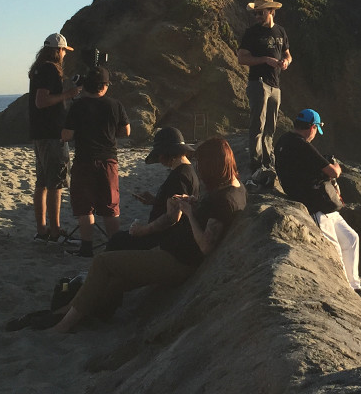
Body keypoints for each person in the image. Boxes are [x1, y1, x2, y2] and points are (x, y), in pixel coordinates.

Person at [51, 137, 246, 333]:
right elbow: (209, 214)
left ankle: (63, 325)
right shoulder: (233, 187)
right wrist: (193, 204)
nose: (199, 172)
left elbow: (205, 246)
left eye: (201, 166)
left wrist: (188, 213)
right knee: (114, 281)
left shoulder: (224, 200)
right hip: (171, 252)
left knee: (102, 262)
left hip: (177, 261)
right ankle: (73, 312)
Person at [275, 108, 361, 296]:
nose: (315, 134)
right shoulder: (302, 145)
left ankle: (355, 285)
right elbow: (333, 172)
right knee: (335, 249)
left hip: (324, 204)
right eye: (316, 129)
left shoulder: (284, 141)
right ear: (312, 127)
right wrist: (337, 167)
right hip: (315, 205)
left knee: (351, 238)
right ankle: (347, 291)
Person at [62, 67, 128, 257]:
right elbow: (126, 131)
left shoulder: (78, 106)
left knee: (85, 206)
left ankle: (86, 248)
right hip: (108, 160)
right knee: (110, 206)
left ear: (86, 86)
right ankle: (114, 247)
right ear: (105, 86)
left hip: (84, 160)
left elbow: (67, 135)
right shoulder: (115, 105)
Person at [28, 33, 83, 244]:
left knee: (42, 183)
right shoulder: (50, 69)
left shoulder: (38, 69)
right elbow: (41, 101)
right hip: (51, 134)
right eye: (64, 51)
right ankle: (54, 232)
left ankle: (42, 230)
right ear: (58, 50)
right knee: (55, 184)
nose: (65, 55)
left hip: (40, 133)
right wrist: (68, 94)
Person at [106, 126, 197, 251]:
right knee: (118, 239)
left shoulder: (180, 176)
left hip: (164, 240)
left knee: (116, 241)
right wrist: (156, 201)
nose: (159, 159)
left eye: (159, 154)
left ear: (168, 153)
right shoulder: (187, 170)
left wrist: (143, 230)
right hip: (167, 237)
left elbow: (173, 217)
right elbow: (176, 203)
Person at [236, 0, 291, 181]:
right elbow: (241, 58)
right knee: (257, 125)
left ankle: (269, 161)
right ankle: (256, 164)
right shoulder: (252, 33)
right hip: (258, 82)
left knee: (271, 126)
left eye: (260, 13)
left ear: (271, 11)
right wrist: (265, 60)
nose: (257, 16)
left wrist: (286, 62)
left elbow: (288, 54)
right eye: (255, 13)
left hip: (275, 84)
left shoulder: (281, 31)